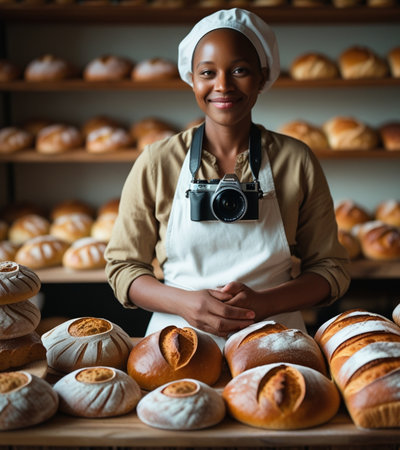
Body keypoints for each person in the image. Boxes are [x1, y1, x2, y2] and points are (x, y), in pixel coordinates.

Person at [105, 8, 350, 348]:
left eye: (239, 70)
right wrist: (183, 303)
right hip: (175, 342)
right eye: (208, 72)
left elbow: (330, 269)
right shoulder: (157, 162)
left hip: (274, 339)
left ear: (262, 77)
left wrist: (265, 303)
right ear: (192, 78)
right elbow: (123, 267)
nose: (222, 85)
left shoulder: (295, 160)